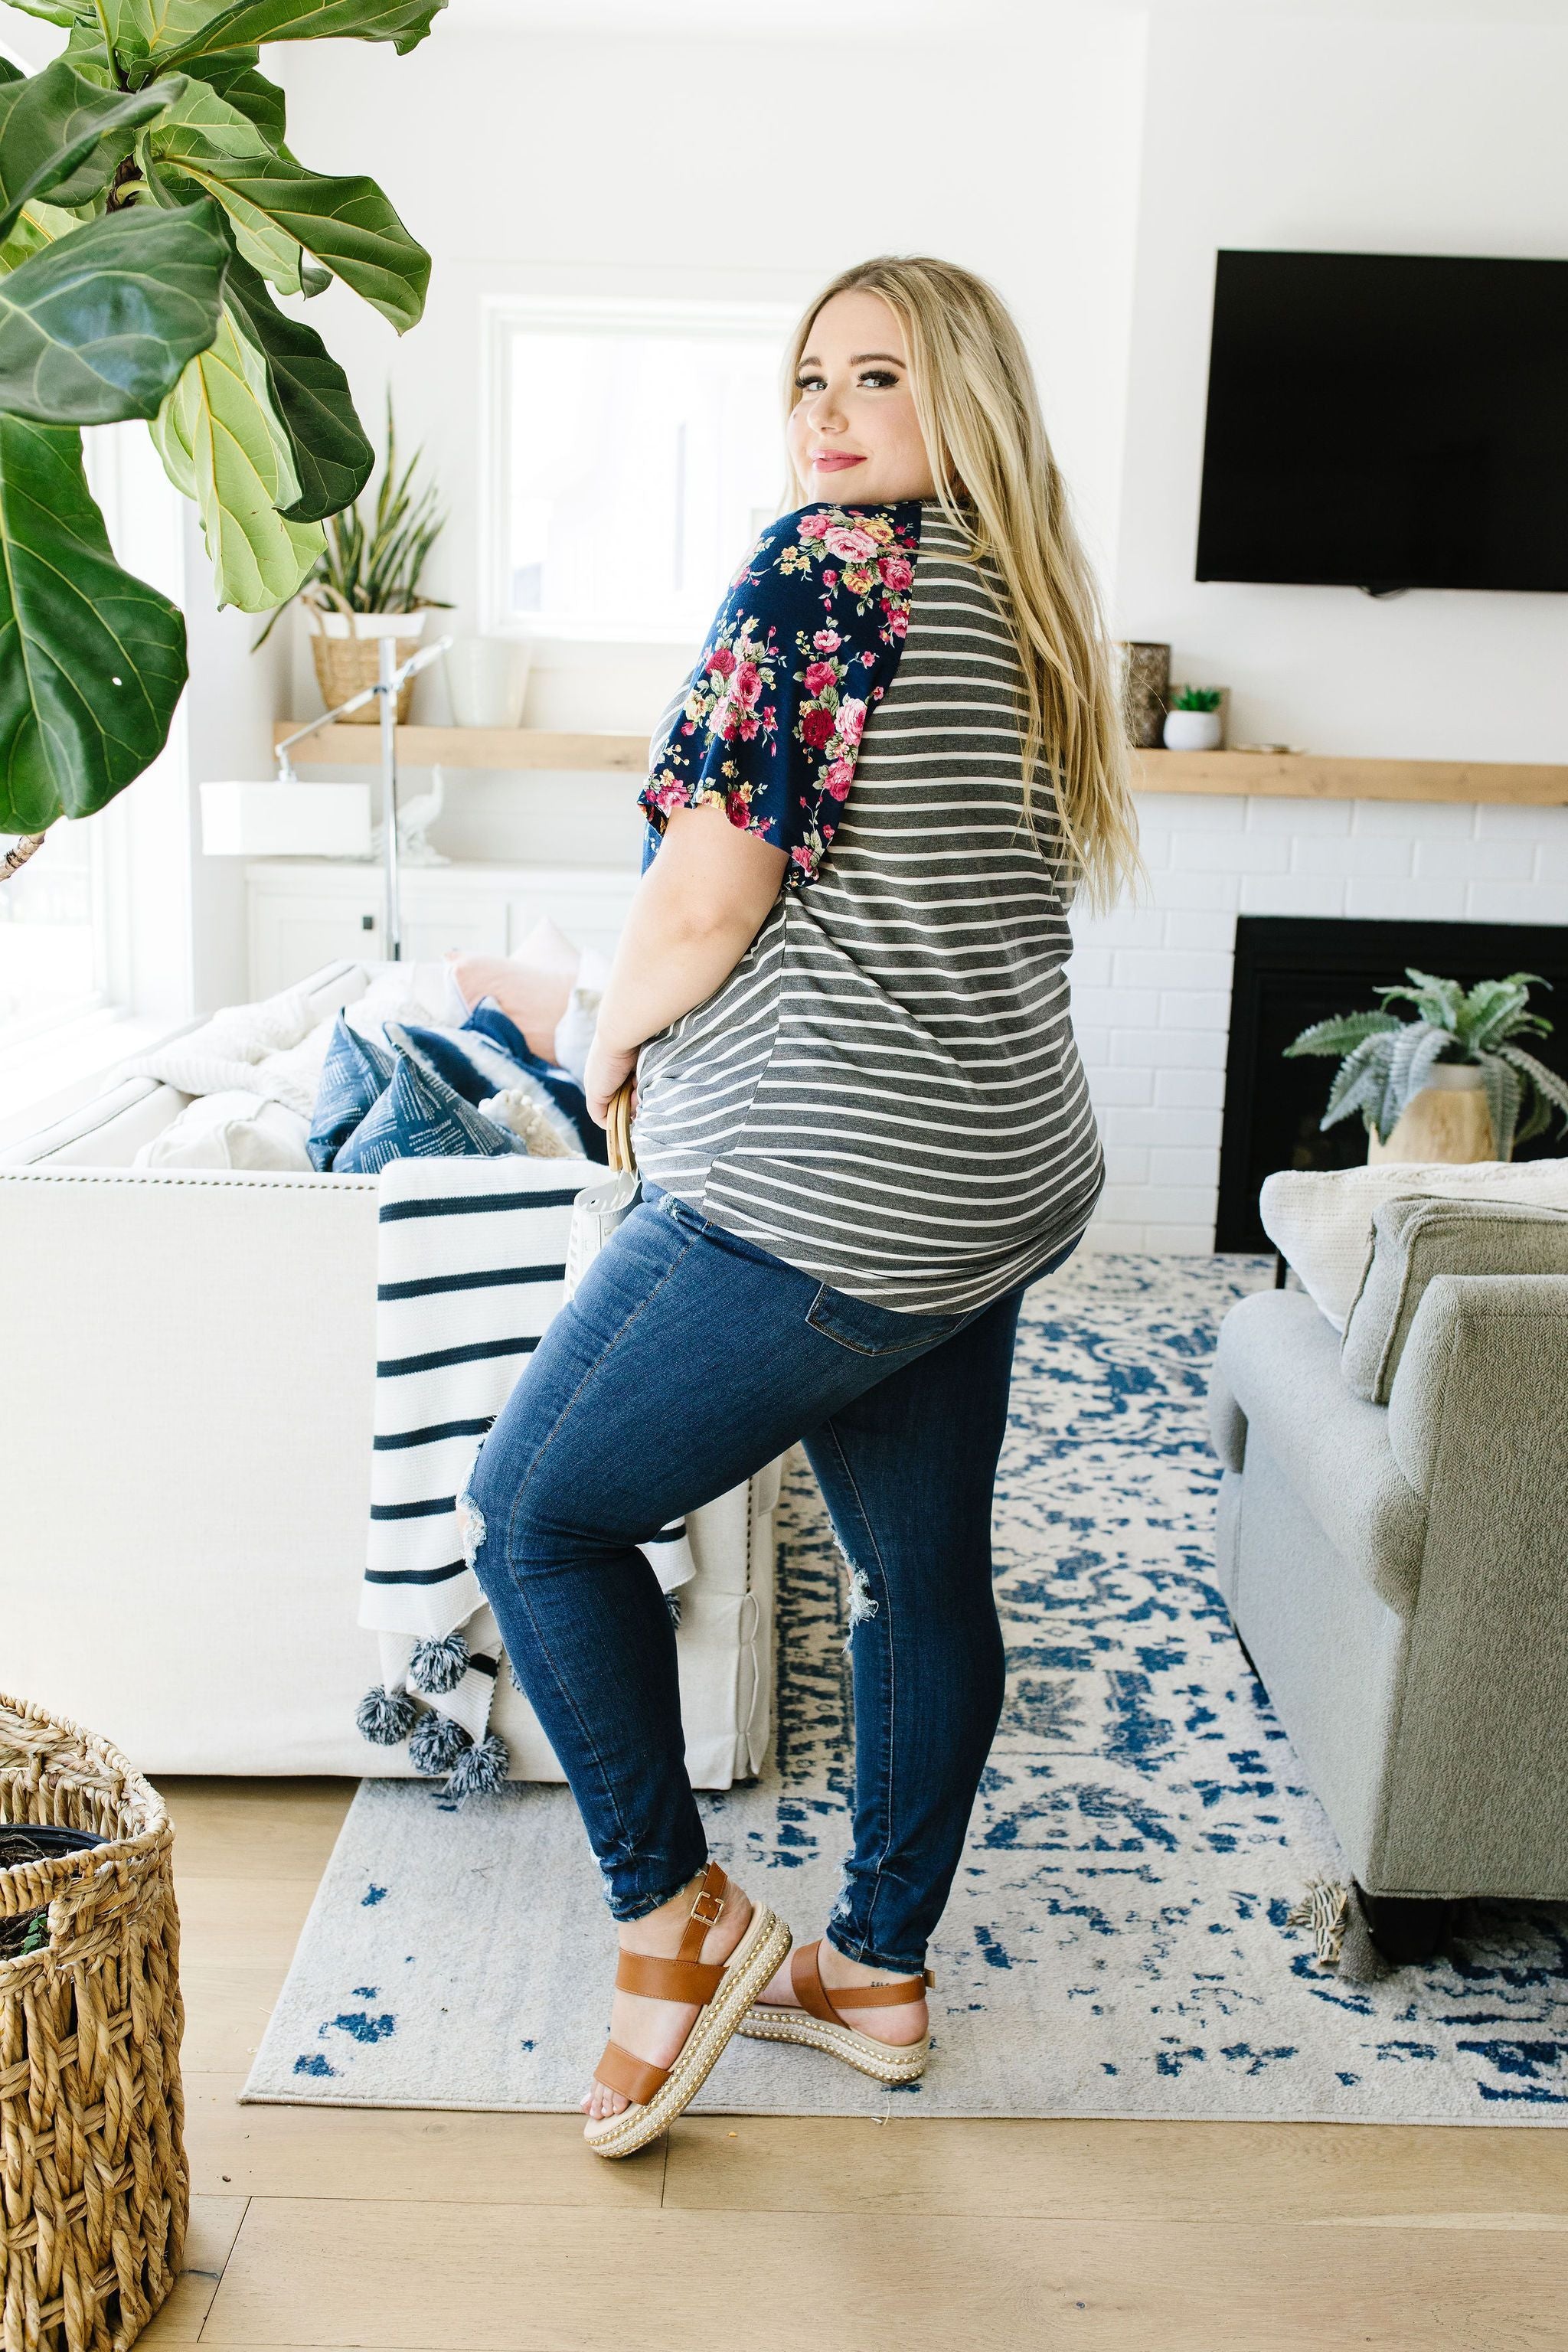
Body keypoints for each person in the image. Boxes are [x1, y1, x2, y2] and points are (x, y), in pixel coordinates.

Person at [465, 253, 1139, 2157]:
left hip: (819, 1195)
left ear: (969, 409)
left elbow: (706, 891)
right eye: (810, 379)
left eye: (881, 380)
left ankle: (675, 1927)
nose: (829, 417)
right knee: (920, 1576)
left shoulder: (826, 570)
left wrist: (603, 1047)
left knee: (536, 1512)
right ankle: (876, 1973)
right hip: (995, 1180)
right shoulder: (1040, 599)